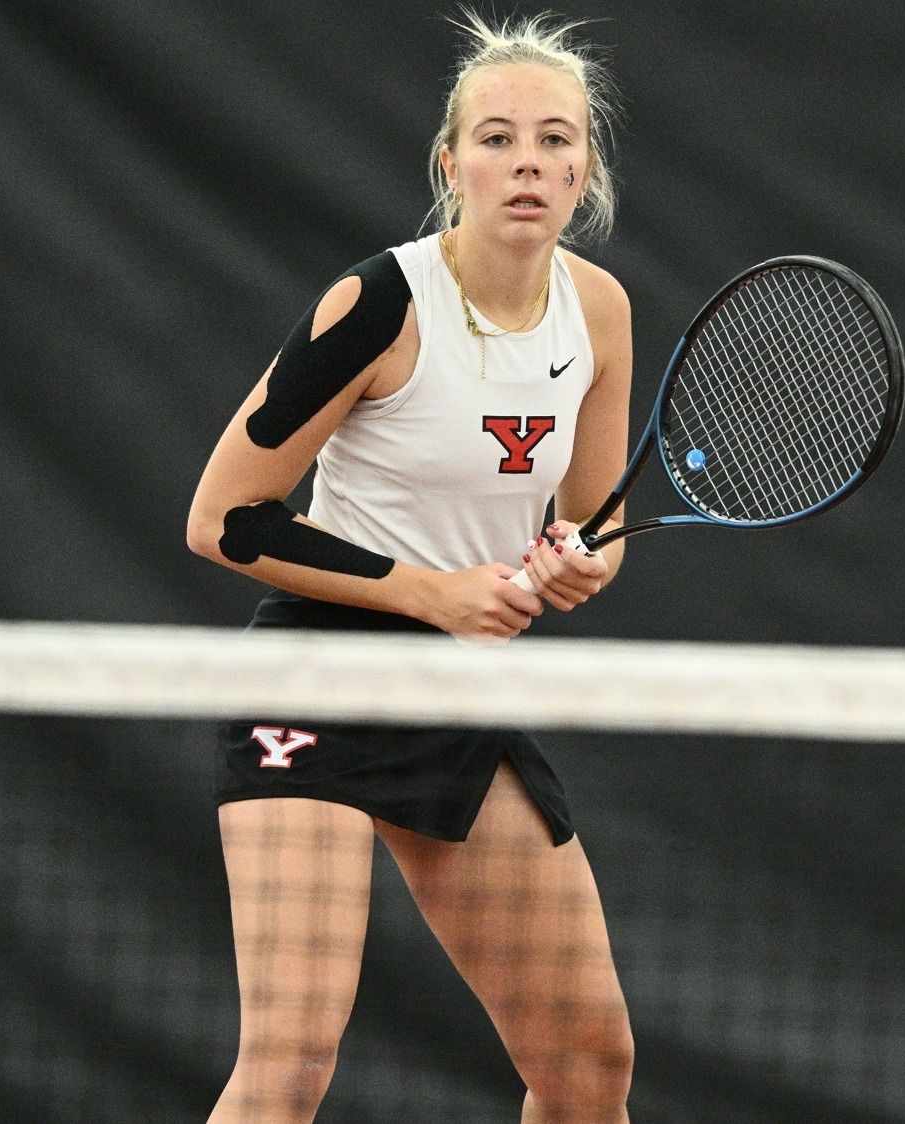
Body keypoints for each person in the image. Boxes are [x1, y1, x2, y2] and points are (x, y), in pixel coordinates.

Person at [184, 13, 635, 1123]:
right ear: (450, 164)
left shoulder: (599, 311)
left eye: (551, 140)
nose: (525, 162)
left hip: (458, 687)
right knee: (290, 1055)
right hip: (320, 677)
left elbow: (593, 523)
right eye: (494, 139)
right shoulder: (378, 303)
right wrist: (428, 589)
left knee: (588, 1064)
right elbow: (224, 517)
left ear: (584, 167)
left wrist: (580, 564)